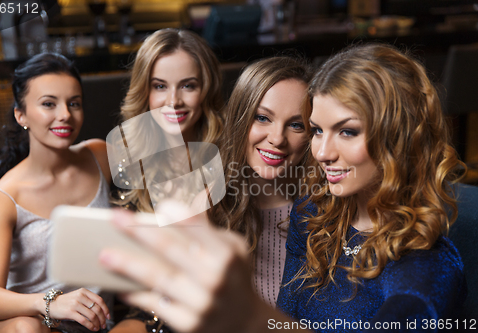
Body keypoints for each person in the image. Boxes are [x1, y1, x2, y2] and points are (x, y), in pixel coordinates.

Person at [98, 43, 467, 333]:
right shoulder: (317, 217)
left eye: (347, 131)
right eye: (319, 130)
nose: (322, 152)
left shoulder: (429, 265)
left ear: (398, 138)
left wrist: (247, 314)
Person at [0, 53, 113, 333]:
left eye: (73, 103)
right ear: (21, 114)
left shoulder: (99, 156)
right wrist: (52, 303)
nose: (65, 114)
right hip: (28, 323)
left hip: (93, 324)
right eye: (49, 104)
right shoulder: (5, 198)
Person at [108, 28, 224, 333]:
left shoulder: (230, 158)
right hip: (151, 313)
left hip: (219, 312)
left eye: (188, 86)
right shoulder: (124, 161)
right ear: (144, 91)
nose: (173, 101)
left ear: (206, 89)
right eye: (160, 86)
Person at [207, 56, 313, 307]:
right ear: (240, 119)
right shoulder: (209, 200)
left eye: (296, 125)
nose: (277, 138)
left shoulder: (324, 211)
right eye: (263, 118)